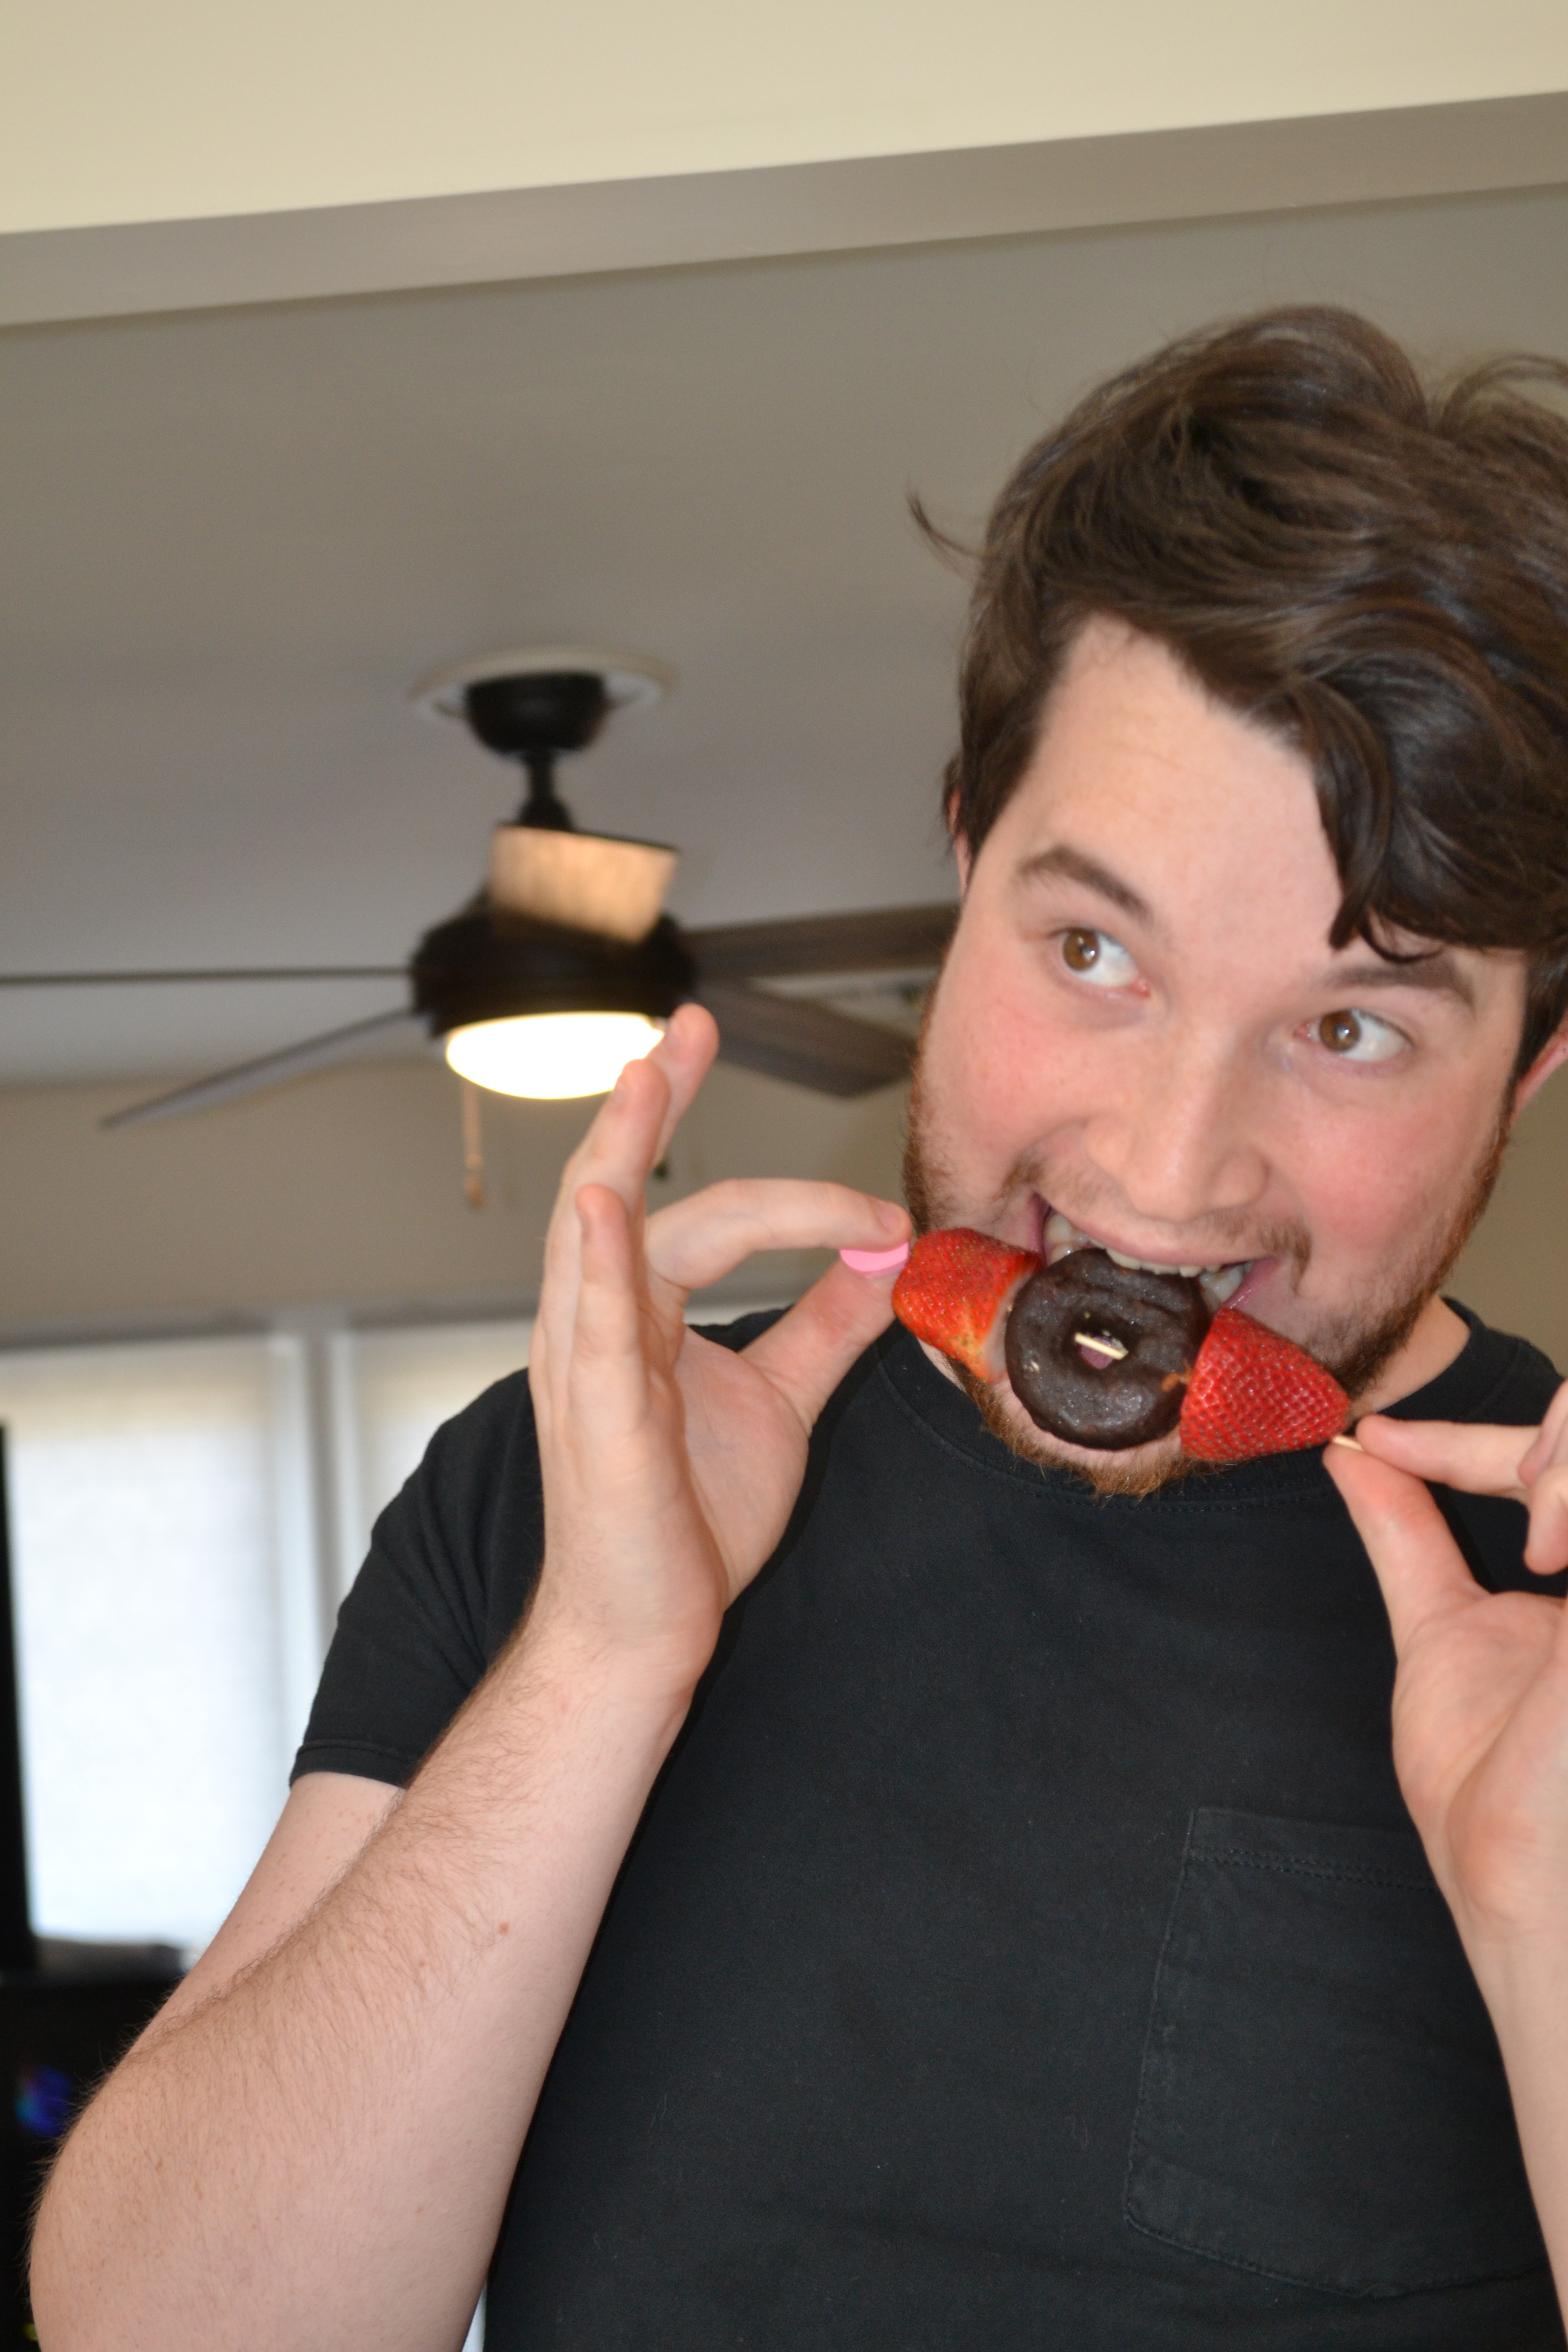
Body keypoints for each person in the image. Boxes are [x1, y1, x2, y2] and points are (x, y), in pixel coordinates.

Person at [30, 307, 1568, 2351]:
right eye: (1094, 947)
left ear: (1535, 1068)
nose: (1174, 1174)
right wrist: (604, 1656)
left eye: (1354, 1023)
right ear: (963, 869)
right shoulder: (585, 1469)